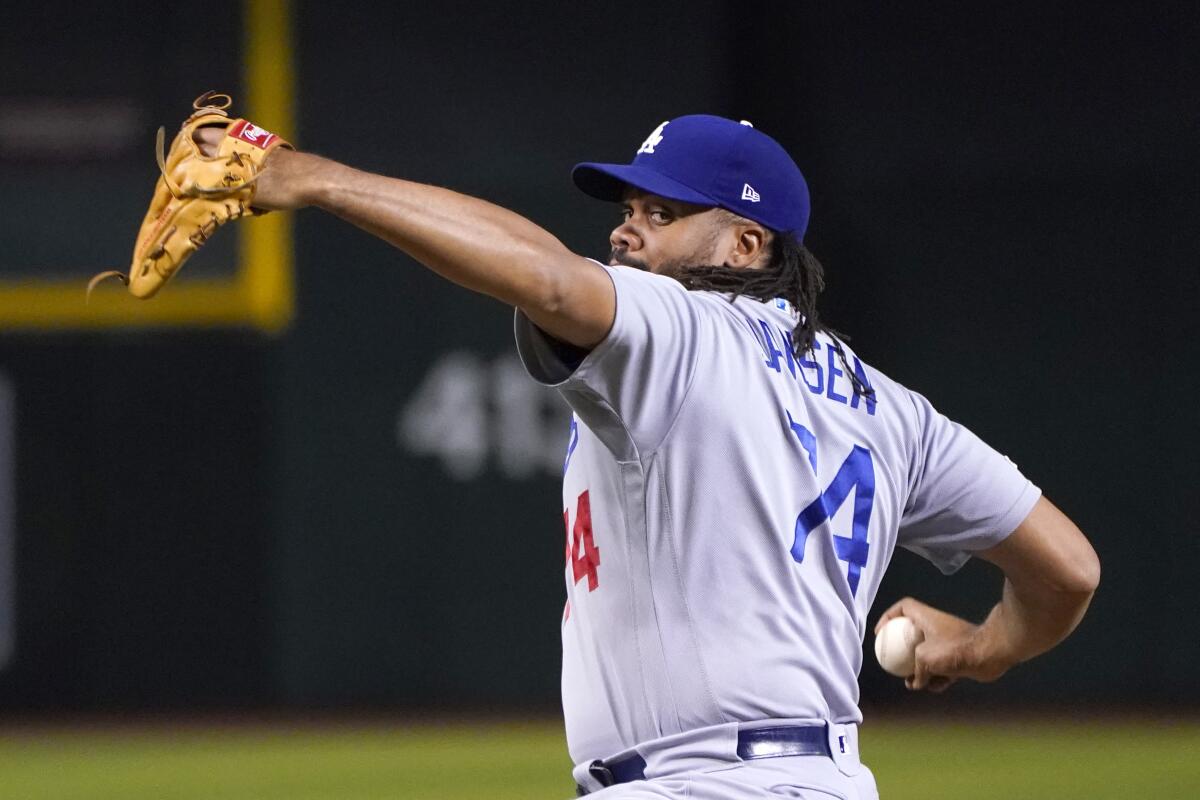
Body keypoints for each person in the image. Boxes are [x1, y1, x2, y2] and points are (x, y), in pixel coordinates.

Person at [204, 114, 1100, 799]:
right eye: (629, 209)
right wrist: (982, 648)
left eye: (662, 213)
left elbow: (546, 275)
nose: (629, 233)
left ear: (748, 246)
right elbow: (1067, 569)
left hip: (694, 782)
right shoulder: (895, 411)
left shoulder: (682, 326)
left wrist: (313, 179)